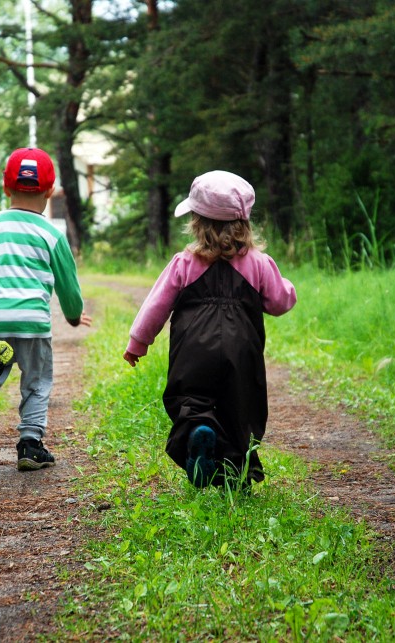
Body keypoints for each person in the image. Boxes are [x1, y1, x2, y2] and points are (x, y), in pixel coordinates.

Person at [123, 170, 296, 488]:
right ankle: (232, 472)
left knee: (190, 400)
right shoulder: (258, 263)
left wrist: (138, 342)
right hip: (240, 350)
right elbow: (279, 302)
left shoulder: (184, 263)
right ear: (244, 223)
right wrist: (288, 288)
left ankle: (197, 434)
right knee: (240, 406)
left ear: (197, 223)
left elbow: (155, 307)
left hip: (193, 349)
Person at [0, 147, 92, 471]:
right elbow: (67, 284)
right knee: (37, 382)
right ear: (50, 190)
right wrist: (72, 315)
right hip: (32, 321)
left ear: (5, 188)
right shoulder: (51, 234)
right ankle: (30, 445)